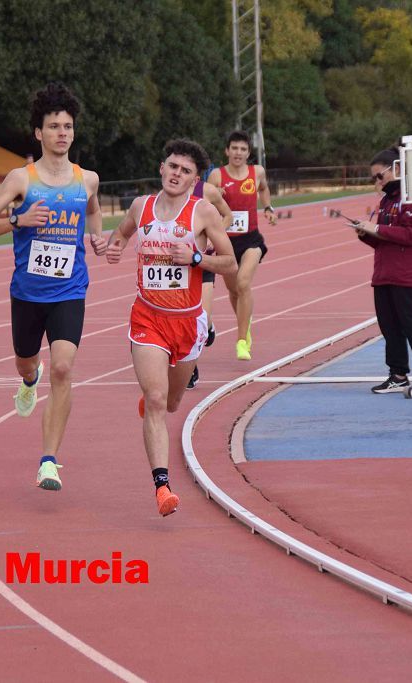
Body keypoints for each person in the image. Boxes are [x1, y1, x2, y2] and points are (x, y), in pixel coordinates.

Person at [0, 82, 105, 493]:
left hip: (70, 290)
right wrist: (18, 221)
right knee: (27, 362)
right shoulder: (21, 180)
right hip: (27, 294)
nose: (62, 133)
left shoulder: (88, 180)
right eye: (53, 126)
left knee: (64, 367)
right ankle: (29, 381)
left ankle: (49, 461)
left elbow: (95, 212)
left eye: (67, 126)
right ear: (39, 133)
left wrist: (97, 237)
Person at [105, 139, 237, 516]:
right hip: (147, 318)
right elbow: (123, 233)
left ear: (195, 180)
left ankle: (154, 399)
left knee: (173, 401)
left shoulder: (204, 213)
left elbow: (229, 263)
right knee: (159, 400)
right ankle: (162, 487)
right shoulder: (140, 206)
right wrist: (114, 246)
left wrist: (196, 257)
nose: (177, 174)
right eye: (173, 166)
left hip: (188, 324)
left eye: (186, 170)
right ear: (162, 168)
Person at [351, 148, 412, 394]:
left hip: (405, 273)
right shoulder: (386, 202)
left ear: (395, 169)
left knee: (410, 323)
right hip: (383, 272)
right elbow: (384, 239)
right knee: (389, 326)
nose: (377, 182)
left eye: (379, 176)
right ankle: (398, 374)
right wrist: (367, 234)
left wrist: (378, 229)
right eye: (373, 178)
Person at [207, 130, 277, 361]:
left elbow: (264, 188)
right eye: (234, 148)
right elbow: (205, 204)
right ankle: (244, 325)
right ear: (227, 151)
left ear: (248, 153)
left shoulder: (257, 172)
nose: (238, 153)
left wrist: (268, 207)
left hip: (251, 240)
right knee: (233, 290)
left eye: (243, 149)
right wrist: (215, 194)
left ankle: (241, 341)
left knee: (243, 282)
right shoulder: (217, 175)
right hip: (225, 242)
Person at [187, 174, 232, 389]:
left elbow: (228, 215)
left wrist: (213, 232)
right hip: (177, 266)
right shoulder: (165, 197)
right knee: (186, 319)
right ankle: (210, 326)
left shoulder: (208, 192)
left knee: (199, 319)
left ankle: (190, 368)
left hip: (203, 262)